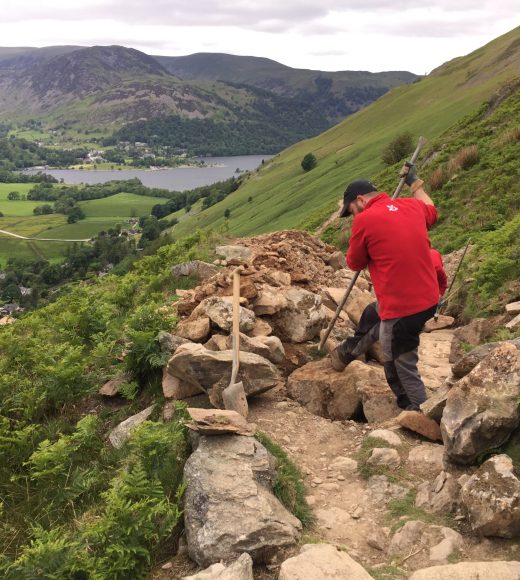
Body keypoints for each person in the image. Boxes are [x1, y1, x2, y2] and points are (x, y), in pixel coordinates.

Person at [330, 163, 439, 412]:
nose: (354, 216)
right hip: (428, 298)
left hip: (403, 307)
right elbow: (432, 209)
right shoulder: (411, 205)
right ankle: (347, 352)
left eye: (352, 211)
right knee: (372, 313)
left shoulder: (365, 220)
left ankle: (418, 413)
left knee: (398, 364)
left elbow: (354, 262)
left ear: (359, 200)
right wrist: (415, 182)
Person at [331, 247, 448, 379]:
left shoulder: (430, 262)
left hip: (415, 304)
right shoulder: (408, 257)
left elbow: (441, 278)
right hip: (402, 298)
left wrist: (437, 295)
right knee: (371, 311)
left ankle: (349, 353)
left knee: (380, 327)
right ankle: (356, 348)